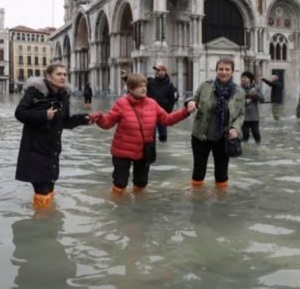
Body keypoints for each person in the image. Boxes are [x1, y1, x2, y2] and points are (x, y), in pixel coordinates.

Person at [90, 73, 194, 195]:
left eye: (145, 85)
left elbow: (167, 119)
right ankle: (118, 209)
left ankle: (138, 210)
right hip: (122, 152)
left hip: (144, 151)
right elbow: (107, 123)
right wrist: (99, 118)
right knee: (120, 184)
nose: (144, 88)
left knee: (141, 184)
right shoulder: (121, 104)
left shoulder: (152, 104)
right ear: (131, 89)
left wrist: (186, 111)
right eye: (140, 86)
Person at [15, 64, 92, 209]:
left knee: (49, 191)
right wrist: (44, 115)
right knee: (43, 192)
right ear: (48, 76)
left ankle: (49, 225)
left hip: (52, 151)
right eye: (59, 74)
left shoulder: (64, 95)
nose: (63, 77)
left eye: (65, 74)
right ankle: (41, 226)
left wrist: (85, 119)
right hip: (34, 151)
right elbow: (19, 113)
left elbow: (65, 121)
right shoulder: (34, 92)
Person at [185, 57, 245, 190]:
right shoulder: (205, 86)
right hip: (201, 136)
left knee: (221, 174)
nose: (224, 72)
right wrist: (190, 102)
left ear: (232, 71)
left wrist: (235, 128)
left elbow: (241, 114)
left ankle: (221, 203)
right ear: (216, 70)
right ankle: (197, 199)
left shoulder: (239, 92)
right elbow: (193, 99)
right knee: (199, 171)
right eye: (221, 69)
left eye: (227, 69)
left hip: (223, 138)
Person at [122, 64, 178, 142]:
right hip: (150, 113)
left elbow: (172, 100)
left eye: (159, 70)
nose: (157, 72)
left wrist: (167, 112)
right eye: (156, 70)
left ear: (164, 72)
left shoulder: (169, 85)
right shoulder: (150, 82)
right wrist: (125, 77)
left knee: (163, 136)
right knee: (151, 136)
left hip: (162, 113)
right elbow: (138, 82)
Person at [240, 71, 265, 144]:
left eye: (245, 78)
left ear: (250, 79)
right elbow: (235, 102)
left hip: (254, 116)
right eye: (242, 78)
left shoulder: (256, 87)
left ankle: (258, 150)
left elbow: (262, 99)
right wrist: (244, 102)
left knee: (256, 134)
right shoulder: (238, 88)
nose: (243, 79)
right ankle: (245, 151)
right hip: (243, 116)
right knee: (245, 135)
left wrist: (255, 95)